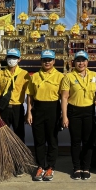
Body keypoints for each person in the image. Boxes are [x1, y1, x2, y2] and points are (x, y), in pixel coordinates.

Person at [0, 48, 30, 175]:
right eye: (9, 57)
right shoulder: (0, 73)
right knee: (1, 137)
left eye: (14, 57)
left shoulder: (24, 74)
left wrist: (29, 111)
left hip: (17, 108)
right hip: (4, 108)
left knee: (19, 136)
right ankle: (3, 164)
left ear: (19, 59)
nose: (11, 60)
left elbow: (29, 95)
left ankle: (19, 164)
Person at [26, 49, 64, 182]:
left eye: (49, 60)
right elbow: (30, 95)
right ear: (41, 61)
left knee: (52, 139)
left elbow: (64, 98)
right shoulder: (35, 76)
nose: (47, 62)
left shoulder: (60, 76)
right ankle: (40, 166)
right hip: (38, 109)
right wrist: (29, 112)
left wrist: (63, 115)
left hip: (53, 109)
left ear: (54, 61)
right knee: (39, 140)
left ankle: (51, 167)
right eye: (44, 60)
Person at [60, 51, 96, 180]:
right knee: (76, 142)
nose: (81, 63)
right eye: (78, 60)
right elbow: (64, 98)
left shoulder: (94, 75)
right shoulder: (68, 77)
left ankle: (86, 168)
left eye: (83, 60)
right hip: (74, 111)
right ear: (74, 62)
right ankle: (77, 168)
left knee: (88, 142)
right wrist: (64, 116)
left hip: (89, 111)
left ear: (87, 62)